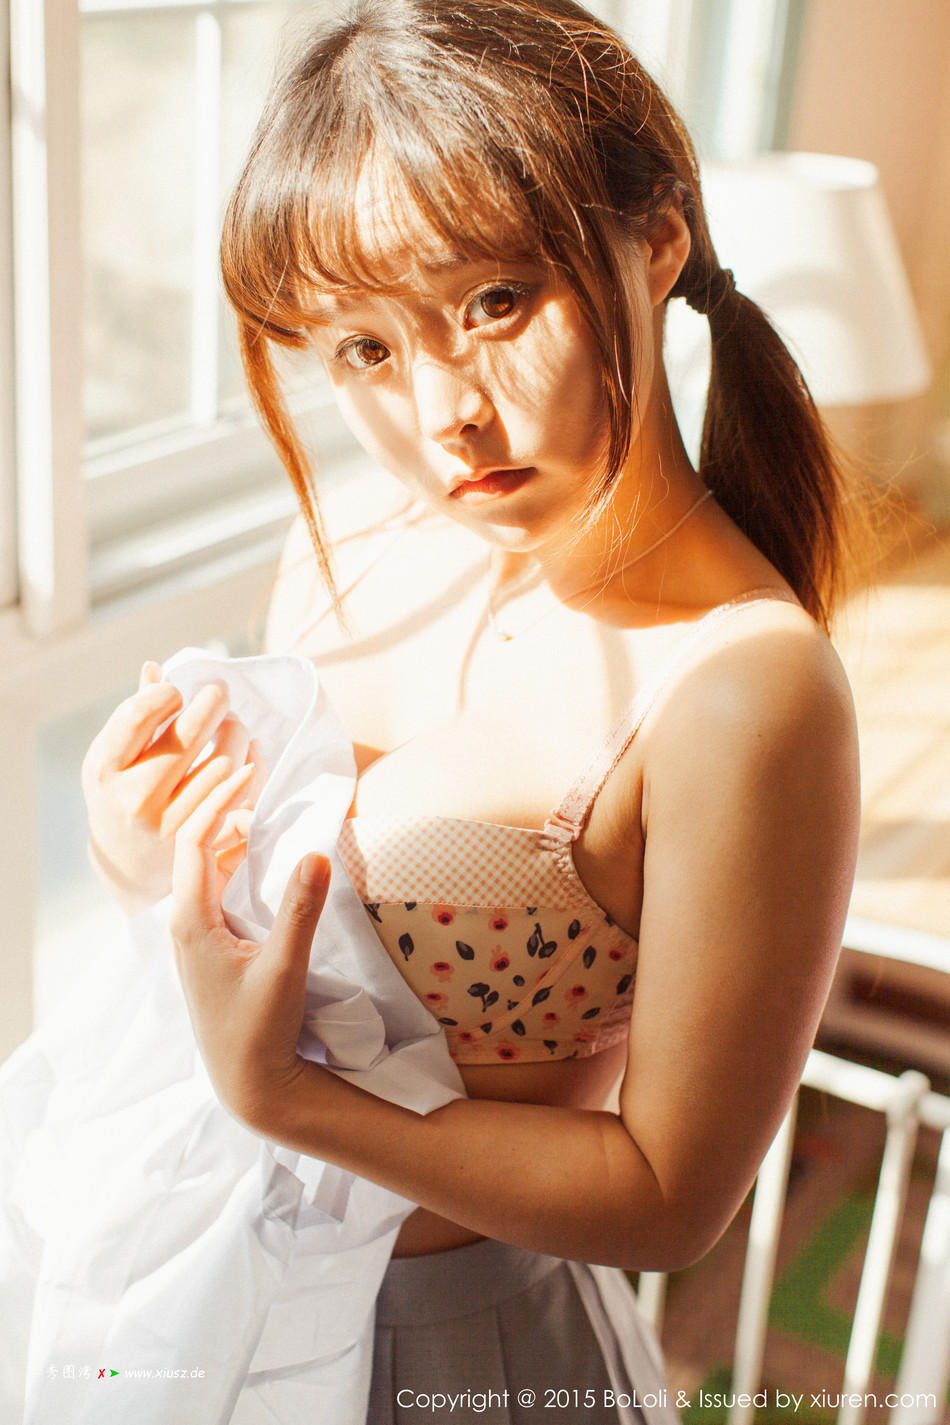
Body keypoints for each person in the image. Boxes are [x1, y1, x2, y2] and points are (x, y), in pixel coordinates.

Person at [81, 0, 861, 1418]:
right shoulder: (345, 550)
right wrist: (157, 859)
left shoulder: (741, 686)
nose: (444, 411)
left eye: (494, 302)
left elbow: (668, 1197)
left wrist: (293, 1103)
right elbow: (283, 948)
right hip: (216, 1298)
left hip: (458, 1354)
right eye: (364, 351)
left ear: (655, 241)